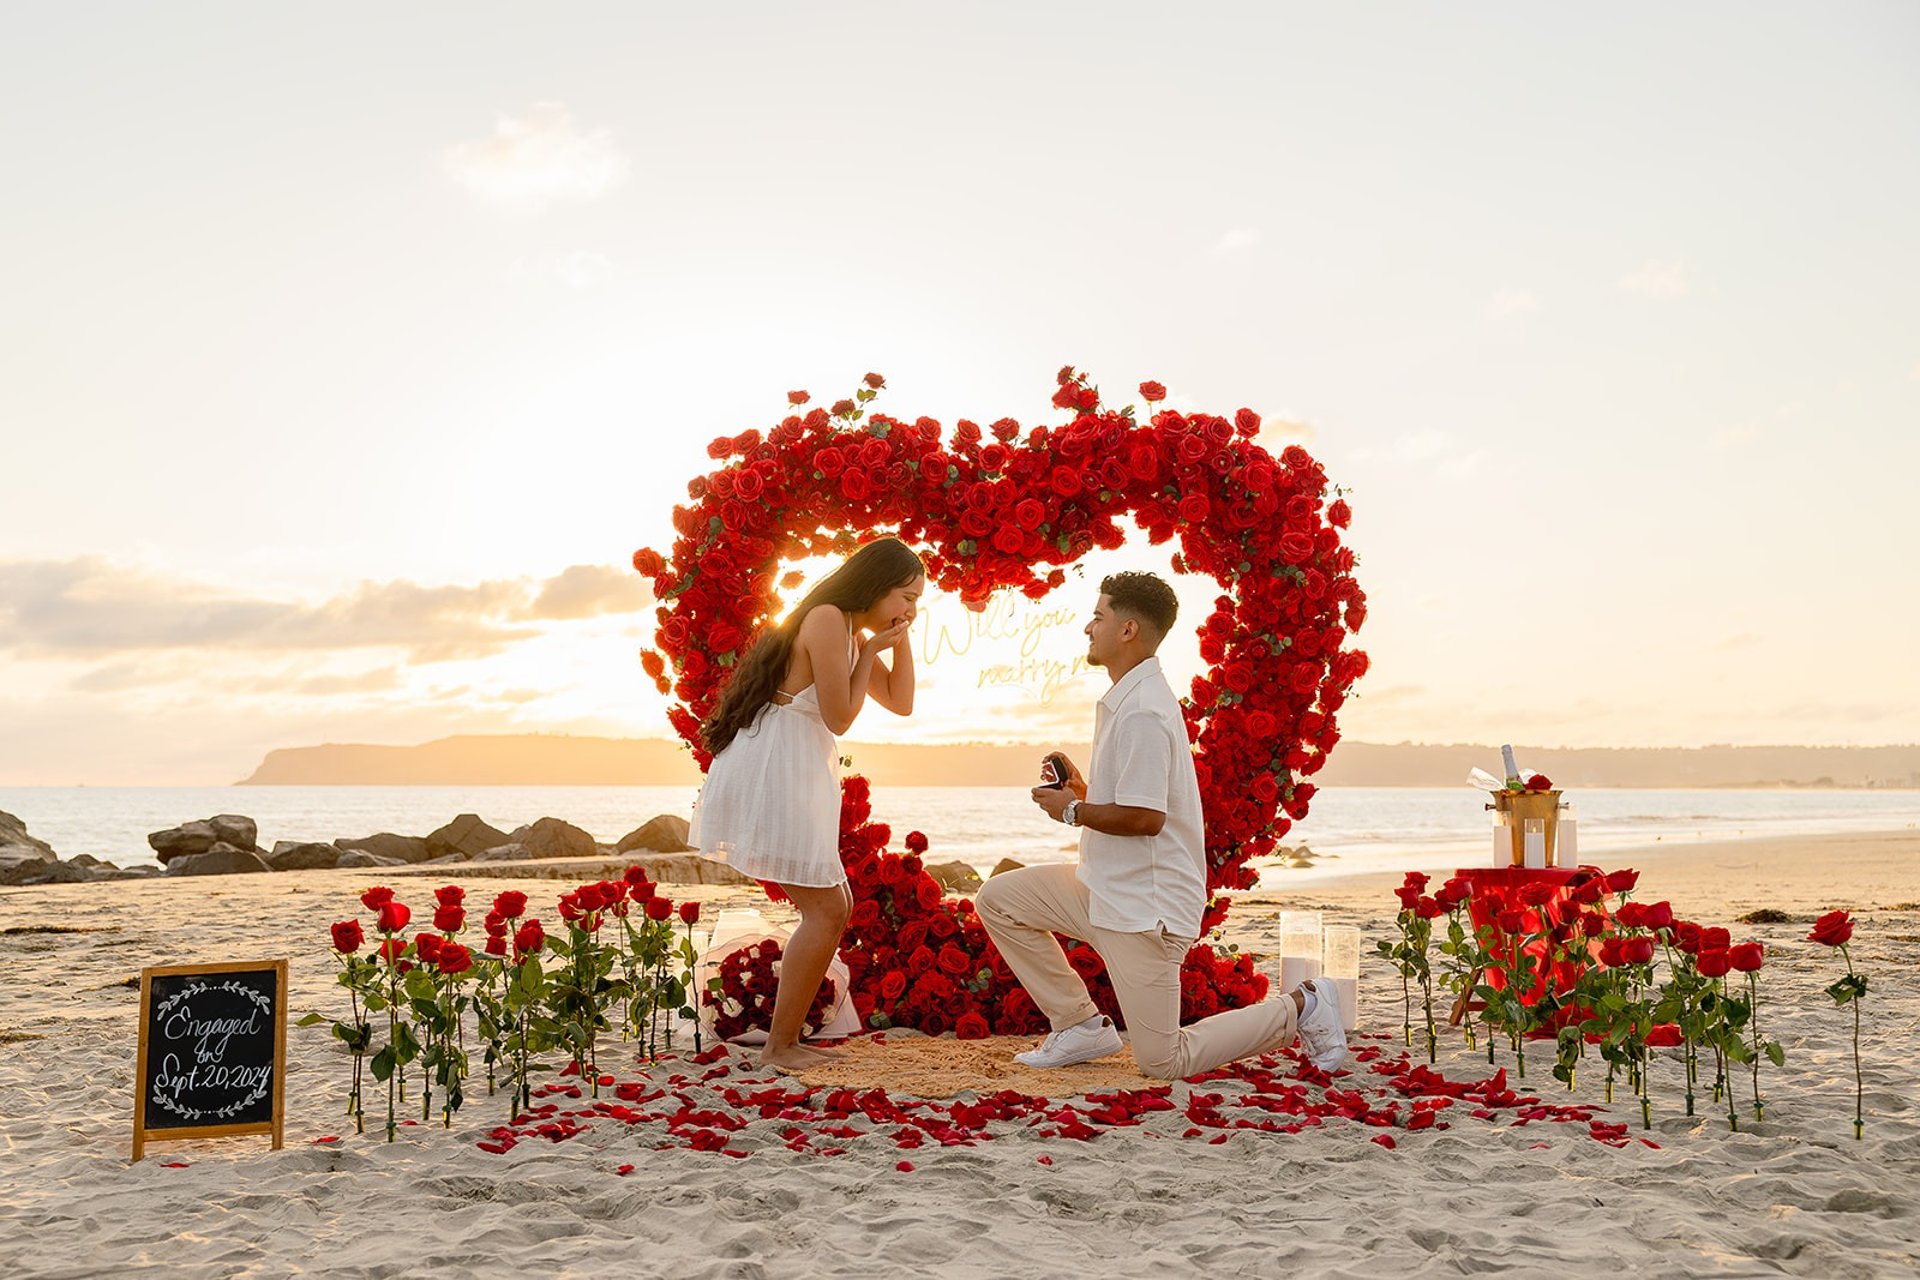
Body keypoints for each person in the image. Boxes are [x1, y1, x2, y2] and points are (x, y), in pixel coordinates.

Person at [976, 571, 1348, 1077]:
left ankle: (1304, 1005)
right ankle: (1078, 1025)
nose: (1088, 627)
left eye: (1098, 617)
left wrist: (1071, 811)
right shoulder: (1128, 698)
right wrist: (1082, 791)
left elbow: (1147, 818)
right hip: (1102, 889)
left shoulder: (1142, 711)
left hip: (1144, 911)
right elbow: (1136, 799)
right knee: (999, 899)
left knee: (1163, 1060)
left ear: (1128, 629)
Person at [691, 536, 924, 1072]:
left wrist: (899, 637)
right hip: (776, 763)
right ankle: (780, 1046)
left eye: (916, 602)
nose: (912, 608)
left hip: (797, 763)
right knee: (827, 908)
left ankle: (784, 1040)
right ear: (876, 585)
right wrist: (871, 651)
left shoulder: (851, 629)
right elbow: (840, 717)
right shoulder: (827, 619)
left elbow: (903, 702)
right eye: (907, 597)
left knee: (832, 905)